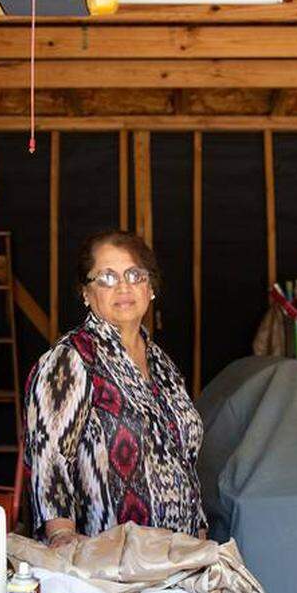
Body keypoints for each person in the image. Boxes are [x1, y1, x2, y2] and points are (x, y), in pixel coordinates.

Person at [22, 230, 206, 547]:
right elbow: (49, 461)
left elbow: (185, 463)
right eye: (106, 278)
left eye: (135, 275)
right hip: (110, 567)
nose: (123, 286)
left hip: (179, 559)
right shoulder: (72, 360)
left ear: (150, 288)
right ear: (85, 293)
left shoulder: (163, 365)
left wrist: (200, 538)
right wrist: (62, 536)